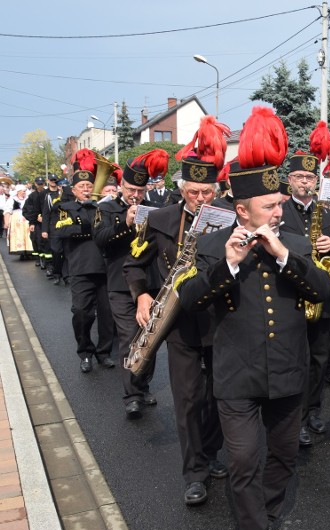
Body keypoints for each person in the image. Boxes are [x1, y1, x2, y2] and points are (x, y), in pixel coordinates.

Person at [180, 107, 330, 530]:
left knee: (284, 457)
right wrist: (227, 265)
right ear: (242, 209)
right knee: (244, 461)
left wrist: (286, 255)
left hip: (288, 369)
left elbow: (325, 291)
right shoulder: (210, 243)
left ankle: (263, 520)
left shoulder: (297, 243)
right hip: (236, 375)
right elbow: (189, 300)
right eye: (270, 206)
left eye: (281, 203)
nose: (279, 209)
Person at [124, 116, 229, 505]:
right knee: (187, 399)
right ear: (181, 188)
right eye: (194, 192)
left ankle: (212, 452)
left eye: (207, 192)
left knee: (220, 394)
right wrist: (142, 295)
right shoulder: (162, 219)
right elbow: (134, 263)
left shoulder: (230, 218)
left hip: (221, 320)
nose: (201, 199)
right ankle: (195, 472)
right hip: (179, 322)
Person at [94, 150, 168, 418]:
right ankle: (132, 395)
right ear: (121, 185)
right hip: (119, 284)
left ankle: (143, 384)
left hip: (150, 283)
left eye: (140, 189)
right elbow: (100, 240)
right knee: (128, 338)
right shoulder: (106, 208)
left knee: (149, 337)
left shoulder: (157, 209)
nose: (135, 194)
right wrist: (125, 223)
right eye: (130, 189)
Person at [281, 151, 330, 448]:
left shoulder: (329, 214)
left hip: (323, 296)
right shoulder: (280, 212)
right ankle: (297, 417)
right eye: (299, 178)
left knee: (320, 359)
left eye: (310, 178)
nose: (305, 183)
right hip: (292, 296)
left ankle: (314, 409)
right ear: (290, 180)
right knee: (297, 359)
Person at [54, 157, 115, 373]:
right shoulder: (65, 208)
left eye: (90, 186)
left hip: (105, 267)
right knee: (82, 312)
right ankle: (85, 352)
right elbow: (62, 231)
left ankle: (104, 352)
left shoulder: (103, 206)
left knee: (107, 315)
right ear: (74, 189)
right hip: (80, 267)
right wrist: (89, 228)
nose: (87, 189)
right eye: (82, 187)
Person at [23, 176, 48, 269]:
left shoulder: (48, 194)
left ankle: (46, 260)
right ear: (36, 184)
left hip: (47, 221)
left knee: (46, 241)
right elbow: (27, 210)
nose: (40, 185)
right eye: (38, 184)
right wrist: (33, 221)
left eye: (42, 184)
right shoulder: (32, 196)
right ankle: (38, 258)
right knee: (35, 239)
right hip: (36, 222)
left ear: (44, 184)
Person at [6, 185, 34, 258]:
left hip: (26, 219)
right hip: (16, 221)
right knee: (19, 236)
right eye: (23, 191)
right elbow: (7, 211)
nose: (24, 192)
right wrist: (6, 222)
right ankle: (21, 252)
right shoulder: (12, 199)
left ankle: (29, 252)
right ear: (18, 191)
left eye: (25, 191)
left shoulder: (27, 199)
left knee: (28, 235)